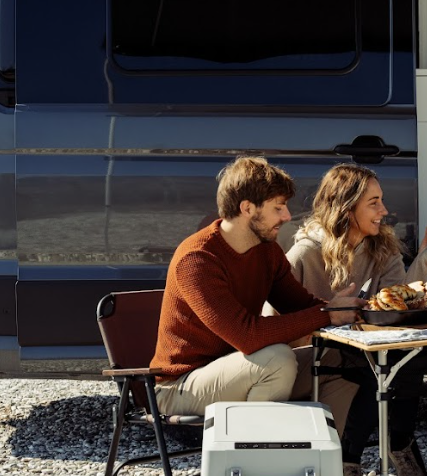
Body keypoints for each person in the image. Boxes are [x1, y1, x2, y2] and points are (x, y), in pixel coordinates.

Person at [150, 155, 364, 427]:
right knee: (278, 359)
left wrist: (351, 311)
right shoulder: (197, 259)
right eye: (279, 207)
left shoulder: (266, 251)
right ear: (248, 208)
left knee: (347, 359)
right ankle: (259, 462)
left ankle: (333, 461)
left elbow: (302, 306)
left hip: (241, 368)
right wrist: (329, 314)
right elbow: (247, 336)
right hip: (181, 385)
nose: (287, 216)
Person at [286, 164, 427, 476]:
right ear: (347, 208)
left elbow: (397, 299)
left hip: (364, 347)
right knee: (365, 367)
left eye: (382, 201)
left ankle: (400, 443)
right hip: (311, 355)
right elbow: (274, 318)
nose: (384, 211)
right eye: (374, 202)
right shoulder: (305, 253)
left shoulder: (380, 247)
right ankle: (348, 462)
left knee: (406, 359)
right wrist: (323, 314)